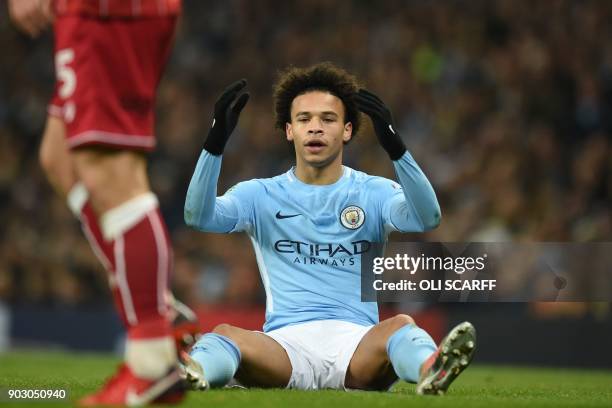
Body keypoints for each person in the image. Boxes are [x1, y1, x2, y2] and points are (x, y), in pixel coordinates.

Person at [183, 62, 476, 394]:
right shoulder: (259, 194)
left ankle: (431, 369)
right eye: (304, 119)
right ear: (289, 130)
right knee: (224, 334)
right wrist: (213, 145)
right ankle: (193, 372)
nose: (315, 128)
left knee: (401, 326)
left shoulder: (374, 192)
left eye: (328, 119)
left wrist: (396, 148)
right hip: (285, 346)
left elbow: (428, 218)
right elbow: (199, 216)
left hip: (357, 345)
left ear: (347, 130)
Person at [9, 0, 190, 405]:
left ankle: (151, 362)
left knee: (110, 172)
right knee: (61, 158)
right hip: (99, 13)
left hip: (104, 12)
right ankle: (153, 310)